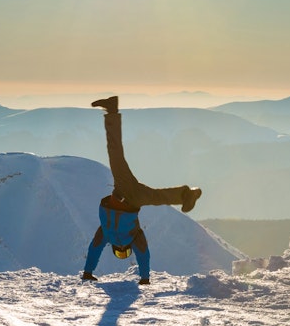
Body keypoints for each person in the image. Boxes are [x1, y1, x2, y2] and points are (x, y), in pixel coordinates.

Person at [82, 96, 202, 285]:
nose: (122, 250)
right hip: (127, 196)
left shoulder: (107, 234)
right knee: (116, 155)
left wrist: (88, 272)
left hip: (126, 195)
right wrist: (144, 278)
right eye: (125, 252)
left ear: (115, 249)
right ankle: (187, 194)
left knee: (152, 192)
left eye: (120, 252)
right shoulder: (124, 235)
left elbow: (96, 249)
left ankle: (187, 194)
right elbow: (141, 255)